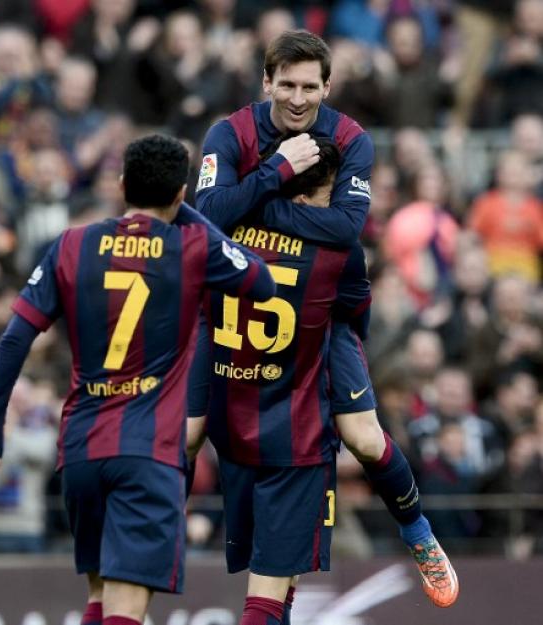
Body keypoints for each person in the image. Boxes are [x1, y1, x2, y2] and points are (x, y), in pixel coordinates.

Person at [189, 30, 458, 618]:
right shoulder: (229, 133)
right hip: (234, 315)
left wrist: (255, 198)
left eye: (309, 87)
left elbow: (345, 229)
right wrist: (279, 170)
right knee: (188, 431)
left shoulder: (349, 138)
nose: (296, 98)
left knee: (362, 437)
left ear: (327, 87)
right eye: (285, 84)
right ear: (266, 82)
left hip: (322, 317)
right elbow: (205, 216)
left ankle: (417, 530)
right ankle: (150, 535)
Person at [0, 134, 276, 625]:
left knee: (100, 597)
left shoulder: (72, 244)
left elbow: (12, 341)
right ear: (179, 194)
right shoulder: (191, 245)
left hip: (81, 452)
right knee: (127, 611)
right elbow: (261, 281)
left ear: (120, 185)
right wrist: (187, 211)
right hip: (146, 454)